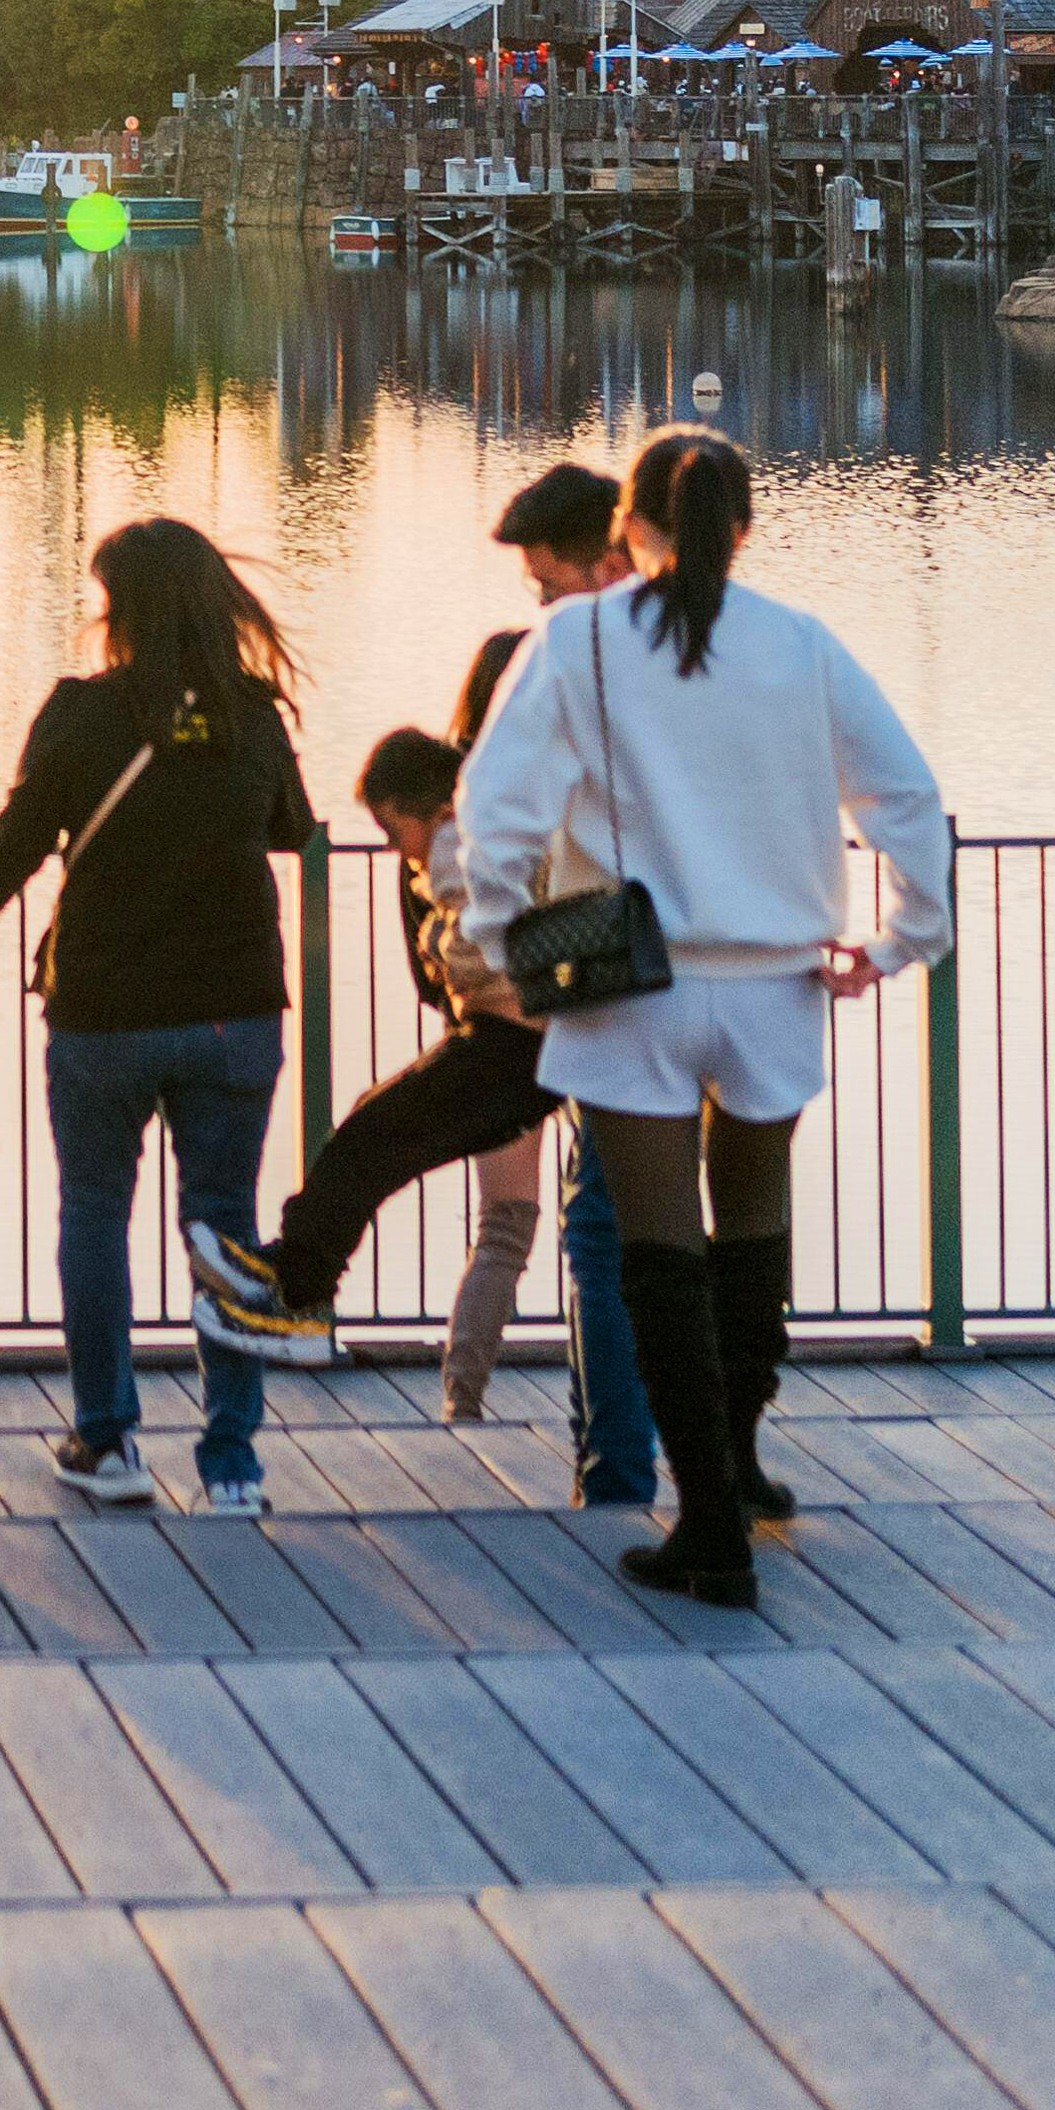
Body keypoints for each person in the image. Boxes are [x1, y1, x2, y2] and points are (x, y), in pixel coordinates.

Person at [456, 424, 949, 1612]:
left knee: (657, 1254)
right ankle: (737, 1465)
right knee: (754, 1233)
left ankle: (709, 1520)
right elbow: (909, 799)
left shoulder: (578, 637)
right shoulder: (802, 645)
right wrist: (898, 940)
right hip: (778, 984)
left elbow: (498, 803)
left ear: (630, 528)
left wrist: (493, 935)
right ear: (744, 528)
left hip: (635, 986)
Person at [195, 465, 616, 1409]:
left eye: (548, 584)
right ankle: (301, 1285)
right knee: (552, 1214)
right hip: (544, 1028)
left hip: (534, 1033)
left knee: (396, 1148)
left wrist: (492, 966)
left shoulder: (508, 800)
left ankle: (300, 1291)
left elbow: (530, 924)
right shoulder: (518, 797)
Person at [0, 517, 321, 1517]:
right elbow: (289, 825)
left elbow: (20, 832)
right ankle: (231, 1461)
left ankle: (107, 1441)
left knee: (95, 1212)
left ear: (122, 608)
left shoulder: (80, 713)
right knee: (224, 1224)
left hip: (104, 1006)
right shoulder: (253, 713)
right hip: (234, 1006)